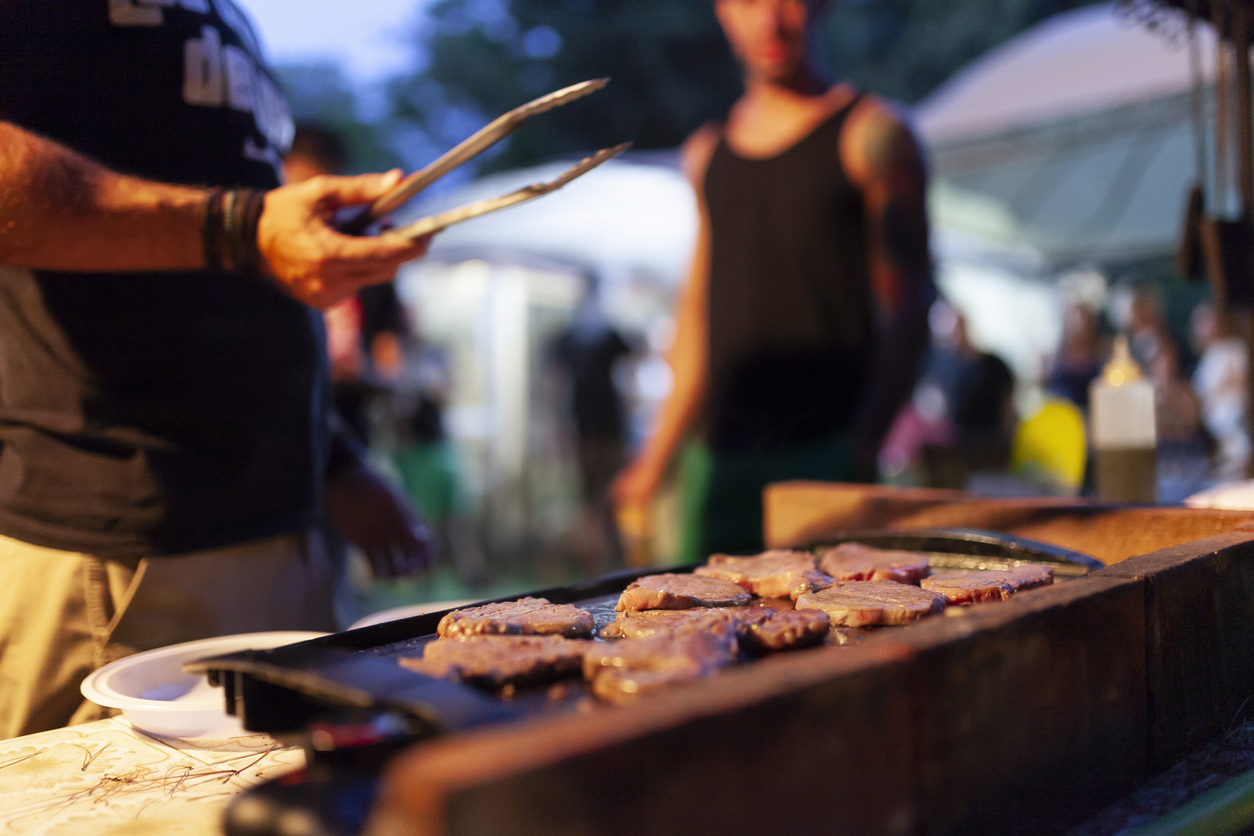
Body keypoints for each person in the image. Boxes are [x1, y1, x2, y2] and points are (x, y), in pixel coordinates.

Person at [0, 1, 432, 738]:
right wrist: (239, 227)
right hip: (119, 540)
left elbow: (224, 268)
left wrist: (330, 459)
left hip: (275, 525)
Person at [613, 0, 933, 559]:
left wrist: (863, 444)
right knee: (699, 635)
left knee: (836, 636)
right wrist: (655, 460)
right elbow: (698, 316)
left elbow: (910, 302)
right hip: (718, 461)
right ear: (722, 13)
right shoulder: (706, 154)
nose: (770, 19)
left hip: (825, 458)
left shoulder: (873, 136)